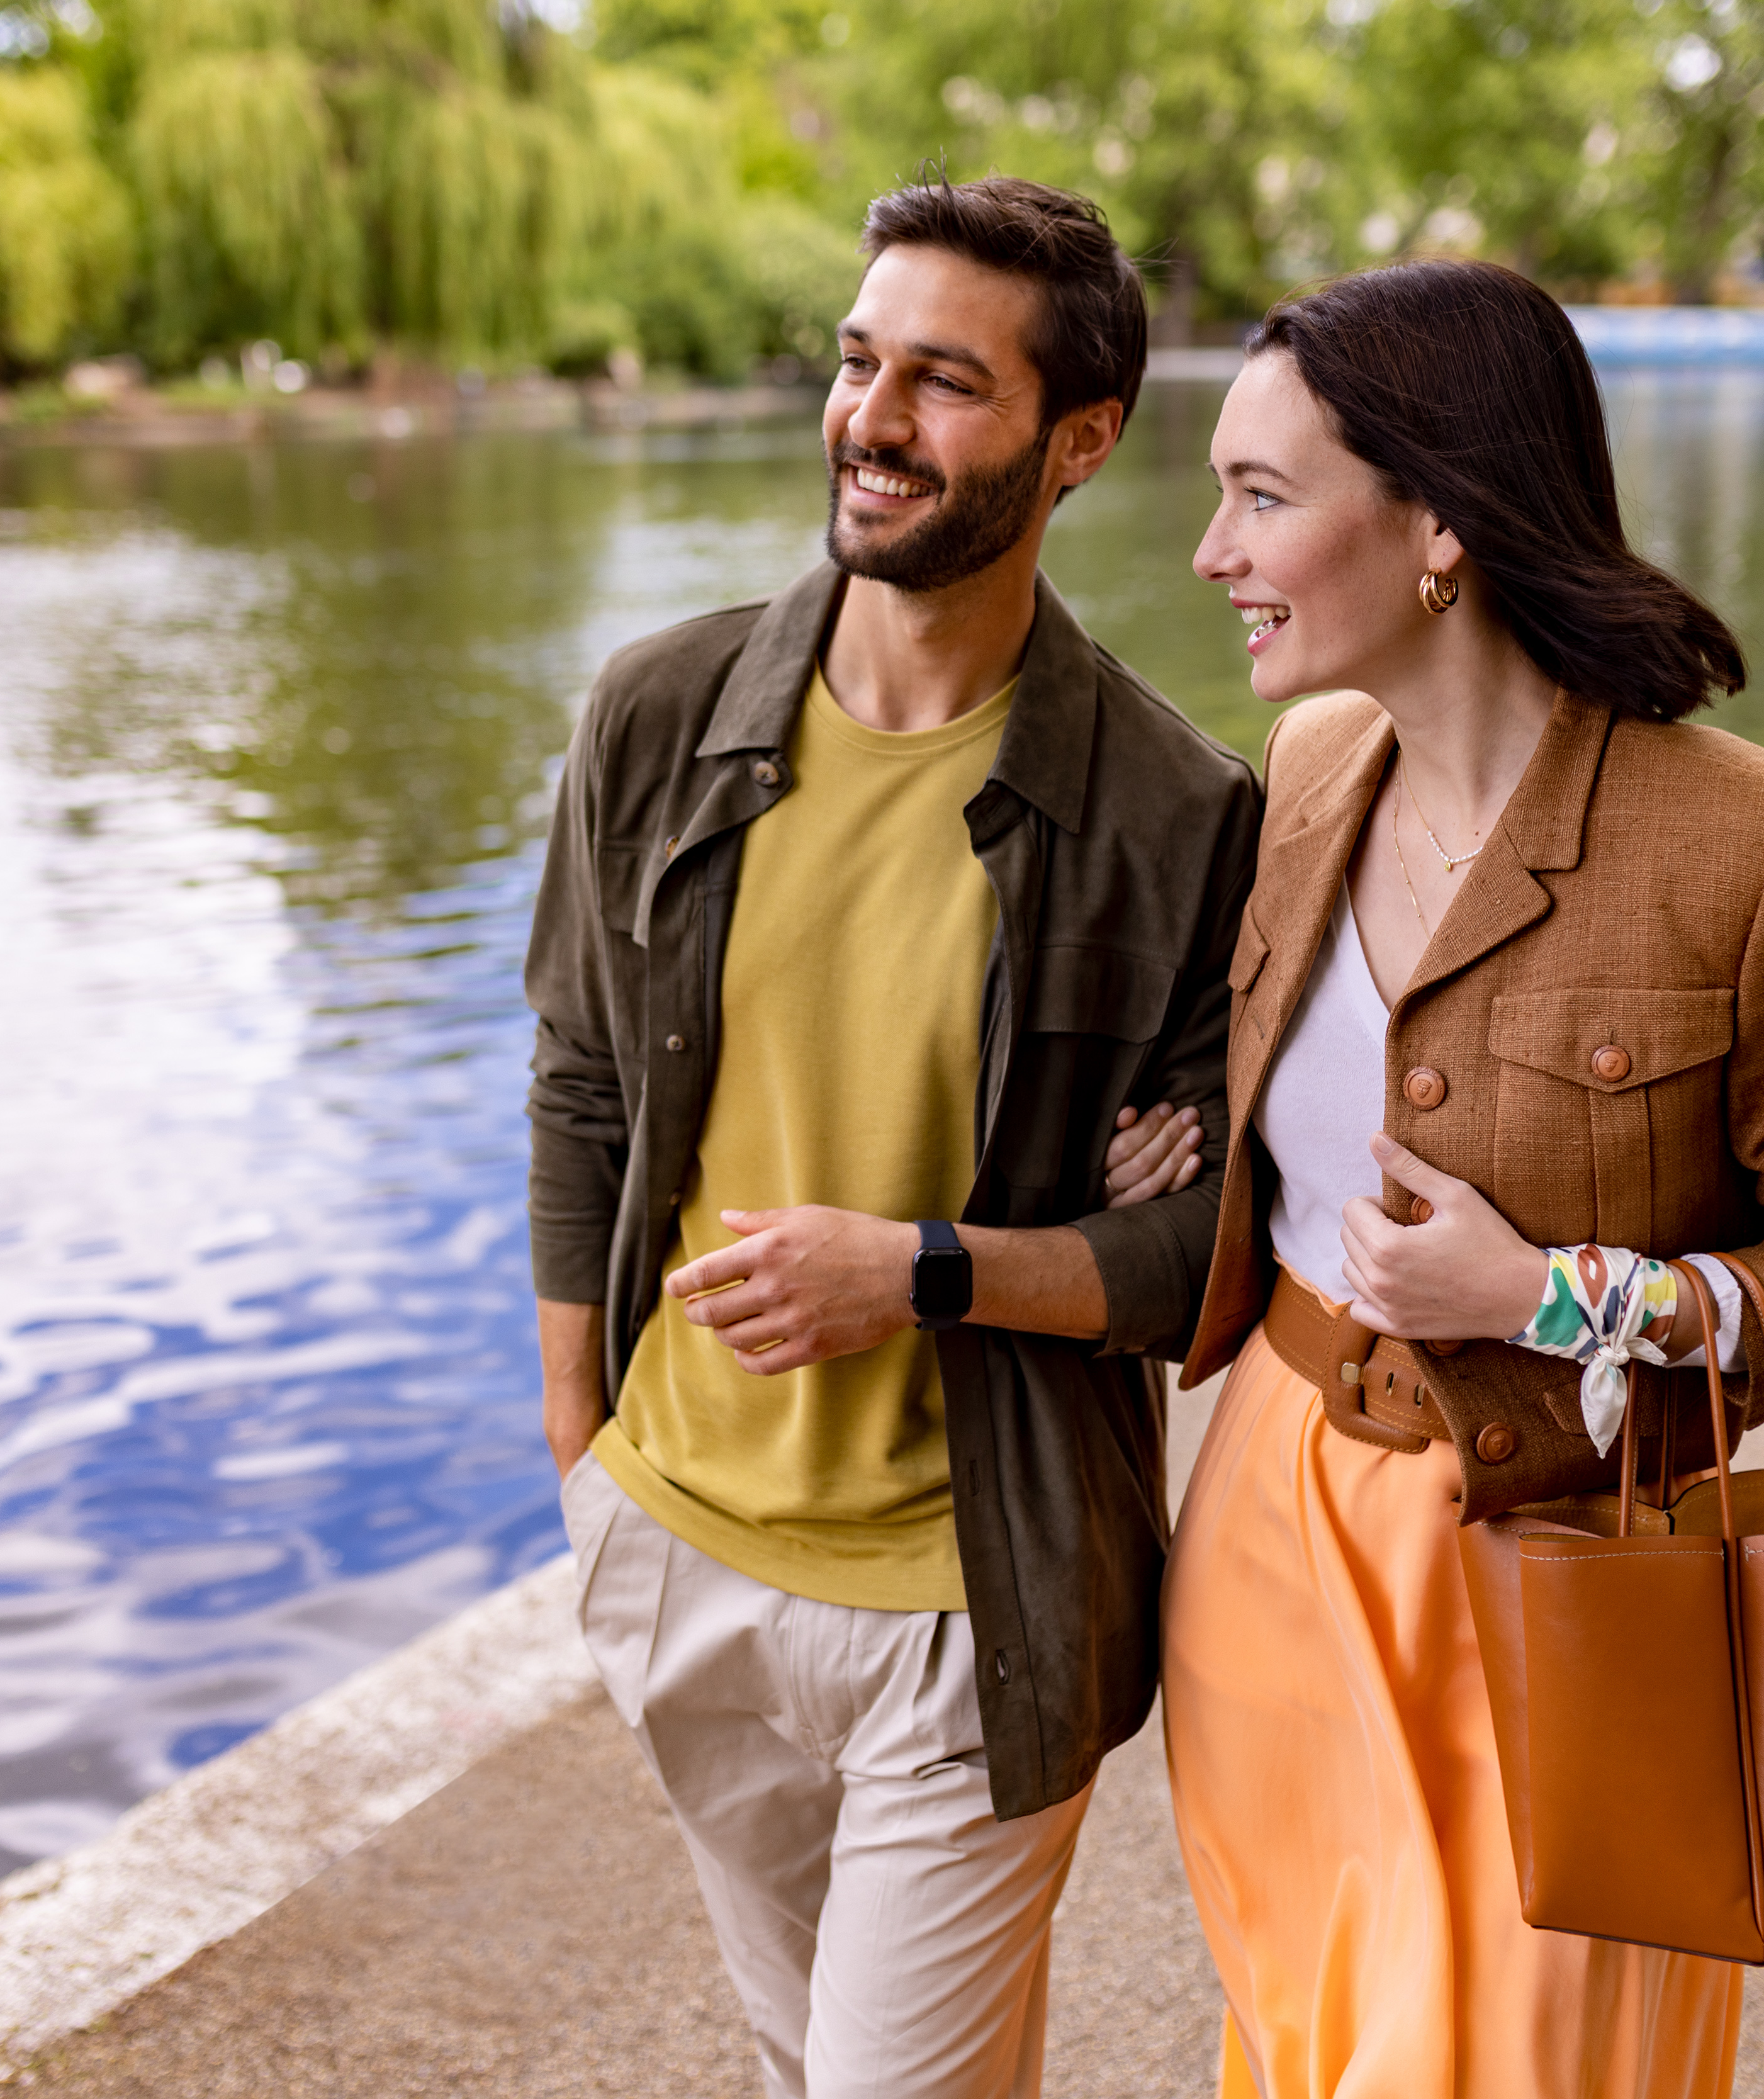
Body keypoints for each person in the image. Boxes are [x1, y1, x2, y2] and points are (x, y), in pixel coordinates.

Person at [1158, 258, 1764, 2097]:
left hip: (1556, 1574)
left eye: (1262, 496)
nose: (1211, 547)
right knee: (1300, 2039)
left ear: (1440, 516)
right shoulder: (1308, 769)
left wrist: (1558, 1296)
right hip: (1269, 1536)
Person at [522, 175, 1259, 2099]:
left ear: (1080, 438)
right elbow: (582, 1081)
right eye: (861, 363)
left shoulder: (1180, 816)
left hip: (974, 1598)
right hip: (677, 1547)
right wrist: (580, 1459)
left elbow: (1204, 1267)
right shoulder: (658, 714)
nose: (873, 420)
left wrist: (925, 1269)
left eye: (945, 383)